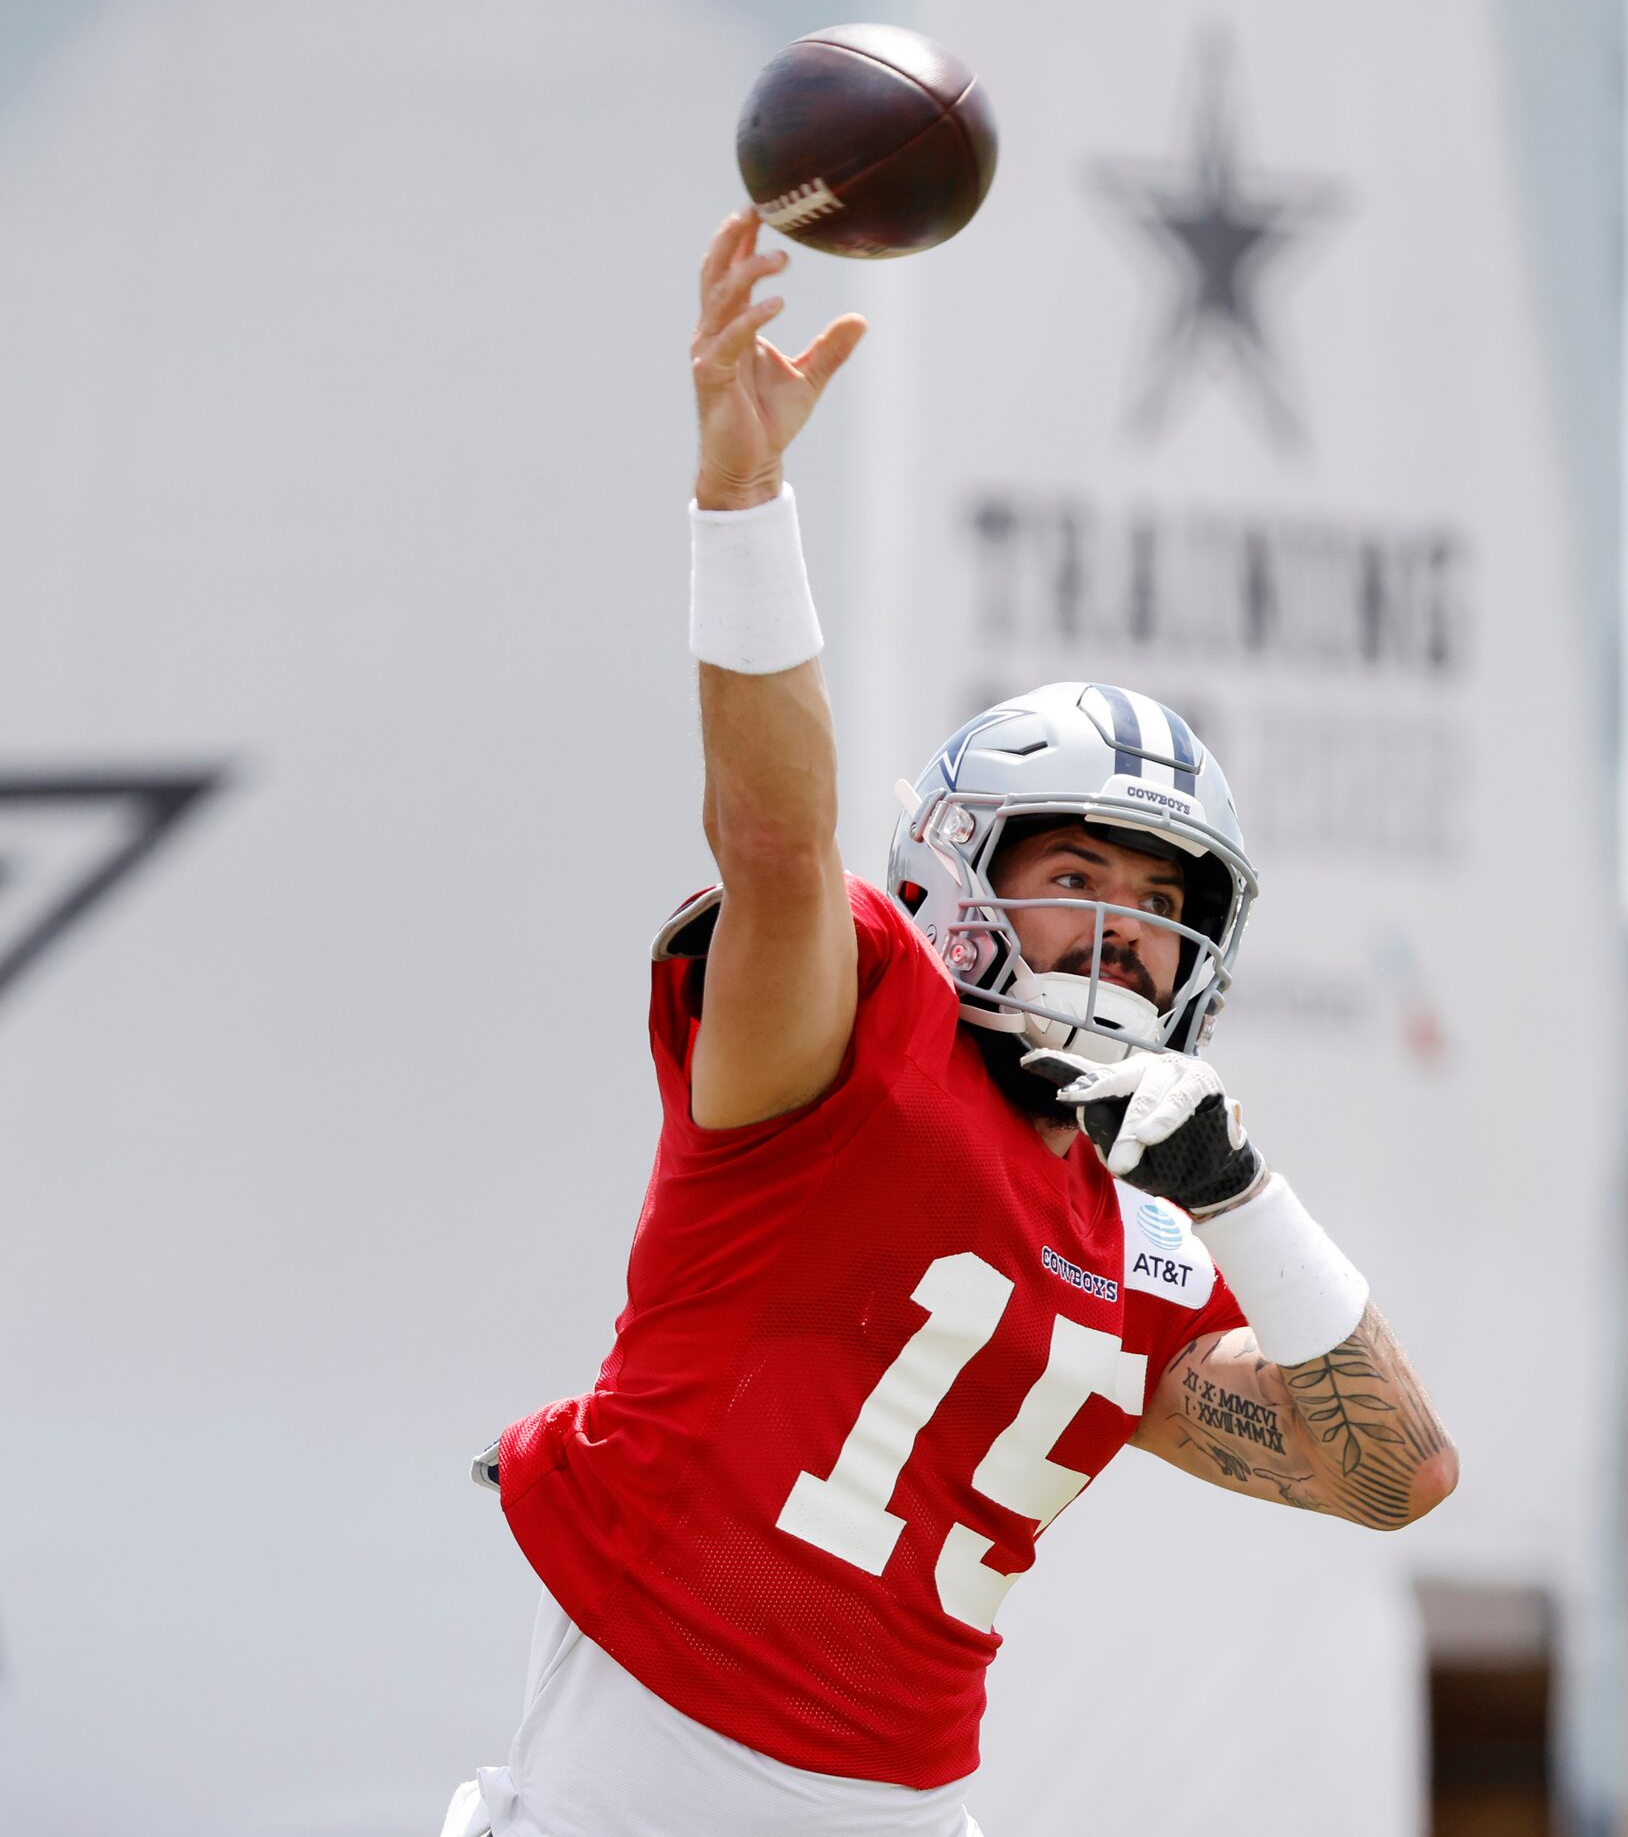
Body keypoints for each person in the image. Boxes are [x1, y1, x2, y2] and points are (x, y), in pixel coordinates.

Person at [440, 213, 1457, 1837]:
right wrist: (742, 499)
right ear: (960, 871)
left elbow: (1394, 1473)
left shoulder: (1155, 1239)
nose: (1126, 933)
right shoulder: (852, 1031)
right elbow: (772, 840)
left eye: (1164, 903)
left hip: (905, 1801)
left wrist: (1245, 1197)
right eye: (1077, 871)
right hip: (649, 1756)